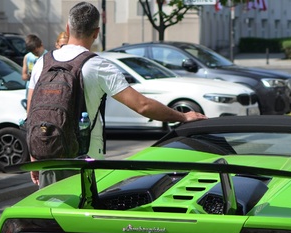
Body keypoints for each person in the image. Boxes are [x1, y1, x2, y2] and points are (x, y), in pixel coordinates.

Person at [27, 2, 206, 188]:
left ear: (68, 28)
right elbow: (142, 105)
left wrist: (35, 153)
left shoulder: (43, 62)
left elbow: (32, 112)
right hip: (85, 161)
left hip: (47, 157)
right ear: (96, 33)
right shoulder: (97, 66)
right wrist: (183, 115)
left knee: (49, 213)